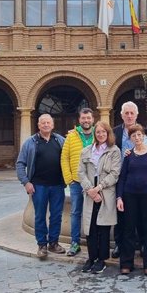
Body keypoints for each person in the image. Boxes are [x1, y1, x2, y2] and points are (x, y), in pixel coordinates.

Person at [116, 124, 147, 275]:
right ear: (130, 139)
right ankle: (126, 263)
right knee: (128, 229)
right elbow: (122, 177)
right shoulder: (128, 155)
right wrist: (119, 197)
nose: (137, 138)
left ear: (143, 135)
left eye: (139, 135)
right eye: (133, 136)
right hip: (129, 196)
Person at [15, 114, 67, 258]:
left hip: (57, 185)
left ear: (52, 125)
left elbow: (71, 156)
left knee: (56, 215)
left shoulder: (60, 141)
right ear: (38, 125)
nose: (45, 125)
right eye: (42, 123)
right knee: (39, 216)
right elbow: (20, 163)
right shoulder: (30, 142)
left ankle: (54, 243)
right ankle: (42, 245)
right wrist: (26, 182)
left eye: (48, 122)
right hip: (38, 186)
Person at [78, 121, 122, 274]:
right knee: (90, 227)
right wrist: (90, 189)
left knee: (103, 227)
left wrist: (99, 188)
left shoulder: (114, 151)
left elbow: (115, 173)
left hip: (105, 192)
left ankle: (102, 259)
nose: (101, 134)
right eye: (98, 132)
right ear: (94, 133)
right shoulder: (86, 151)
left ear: (108, 133)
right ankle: (91, 257)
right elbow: (81, 172)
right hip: (90, 191)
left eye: (104, 132)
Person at [60, 107, 95, 257]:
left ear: (93, 119)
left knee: (93, 213)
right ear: (79, 120)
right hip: (76, 182)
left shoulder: (98, 134)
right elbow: (64, 158)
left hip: (93, 182)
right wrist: (69, 179)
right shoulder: (71, 136)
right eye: (83, 118)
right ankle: (75, 243)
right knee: (75, 212)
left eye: (88, 118)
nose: (86, 121)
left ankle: (93, 241)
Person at [111, 101, 141, 258]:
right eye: (126, 113)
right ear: (122, 115)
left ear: (137, 115)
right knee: (120, 212)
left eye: (132, 113)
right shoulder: (115, 132)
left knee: (141, 212)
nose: (129, 116)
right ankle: (119, 243)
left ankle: (140, 242)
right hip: (120, 178)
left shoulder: (144, 131)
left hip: (140, 177)